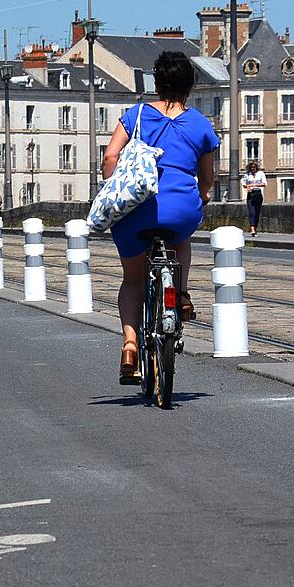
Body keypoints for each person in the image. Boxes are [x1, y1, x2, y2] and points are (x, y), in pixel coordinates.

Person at [103, 51, 218, 383]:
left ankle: (129, 344)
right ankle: (181, 295)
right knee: (181, 239)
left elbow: (111, 156)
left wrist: (113, 181)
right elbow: (207, 178)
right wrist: (204, 194)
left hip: (136, 211)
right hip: (180, 209)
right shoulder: (200, 123)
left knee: (133, 280)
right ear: (191, 86)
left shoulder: (136, 114)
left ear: (157, 82)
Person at [241, 161, 267, 237]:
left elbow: (264, 183)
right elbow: (244, 184)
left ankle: (255, 228)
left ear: (256, 167)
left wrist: (255, 185)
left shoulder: (261, 174)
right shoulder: (247, 175)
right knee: (252, 212)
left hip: (258, 194)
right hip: (250, 195)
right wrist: (248, 186)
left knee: (257, 213)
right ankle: (252, 229)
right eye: (251, 167)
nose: (253, 169)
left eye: (254, 167)